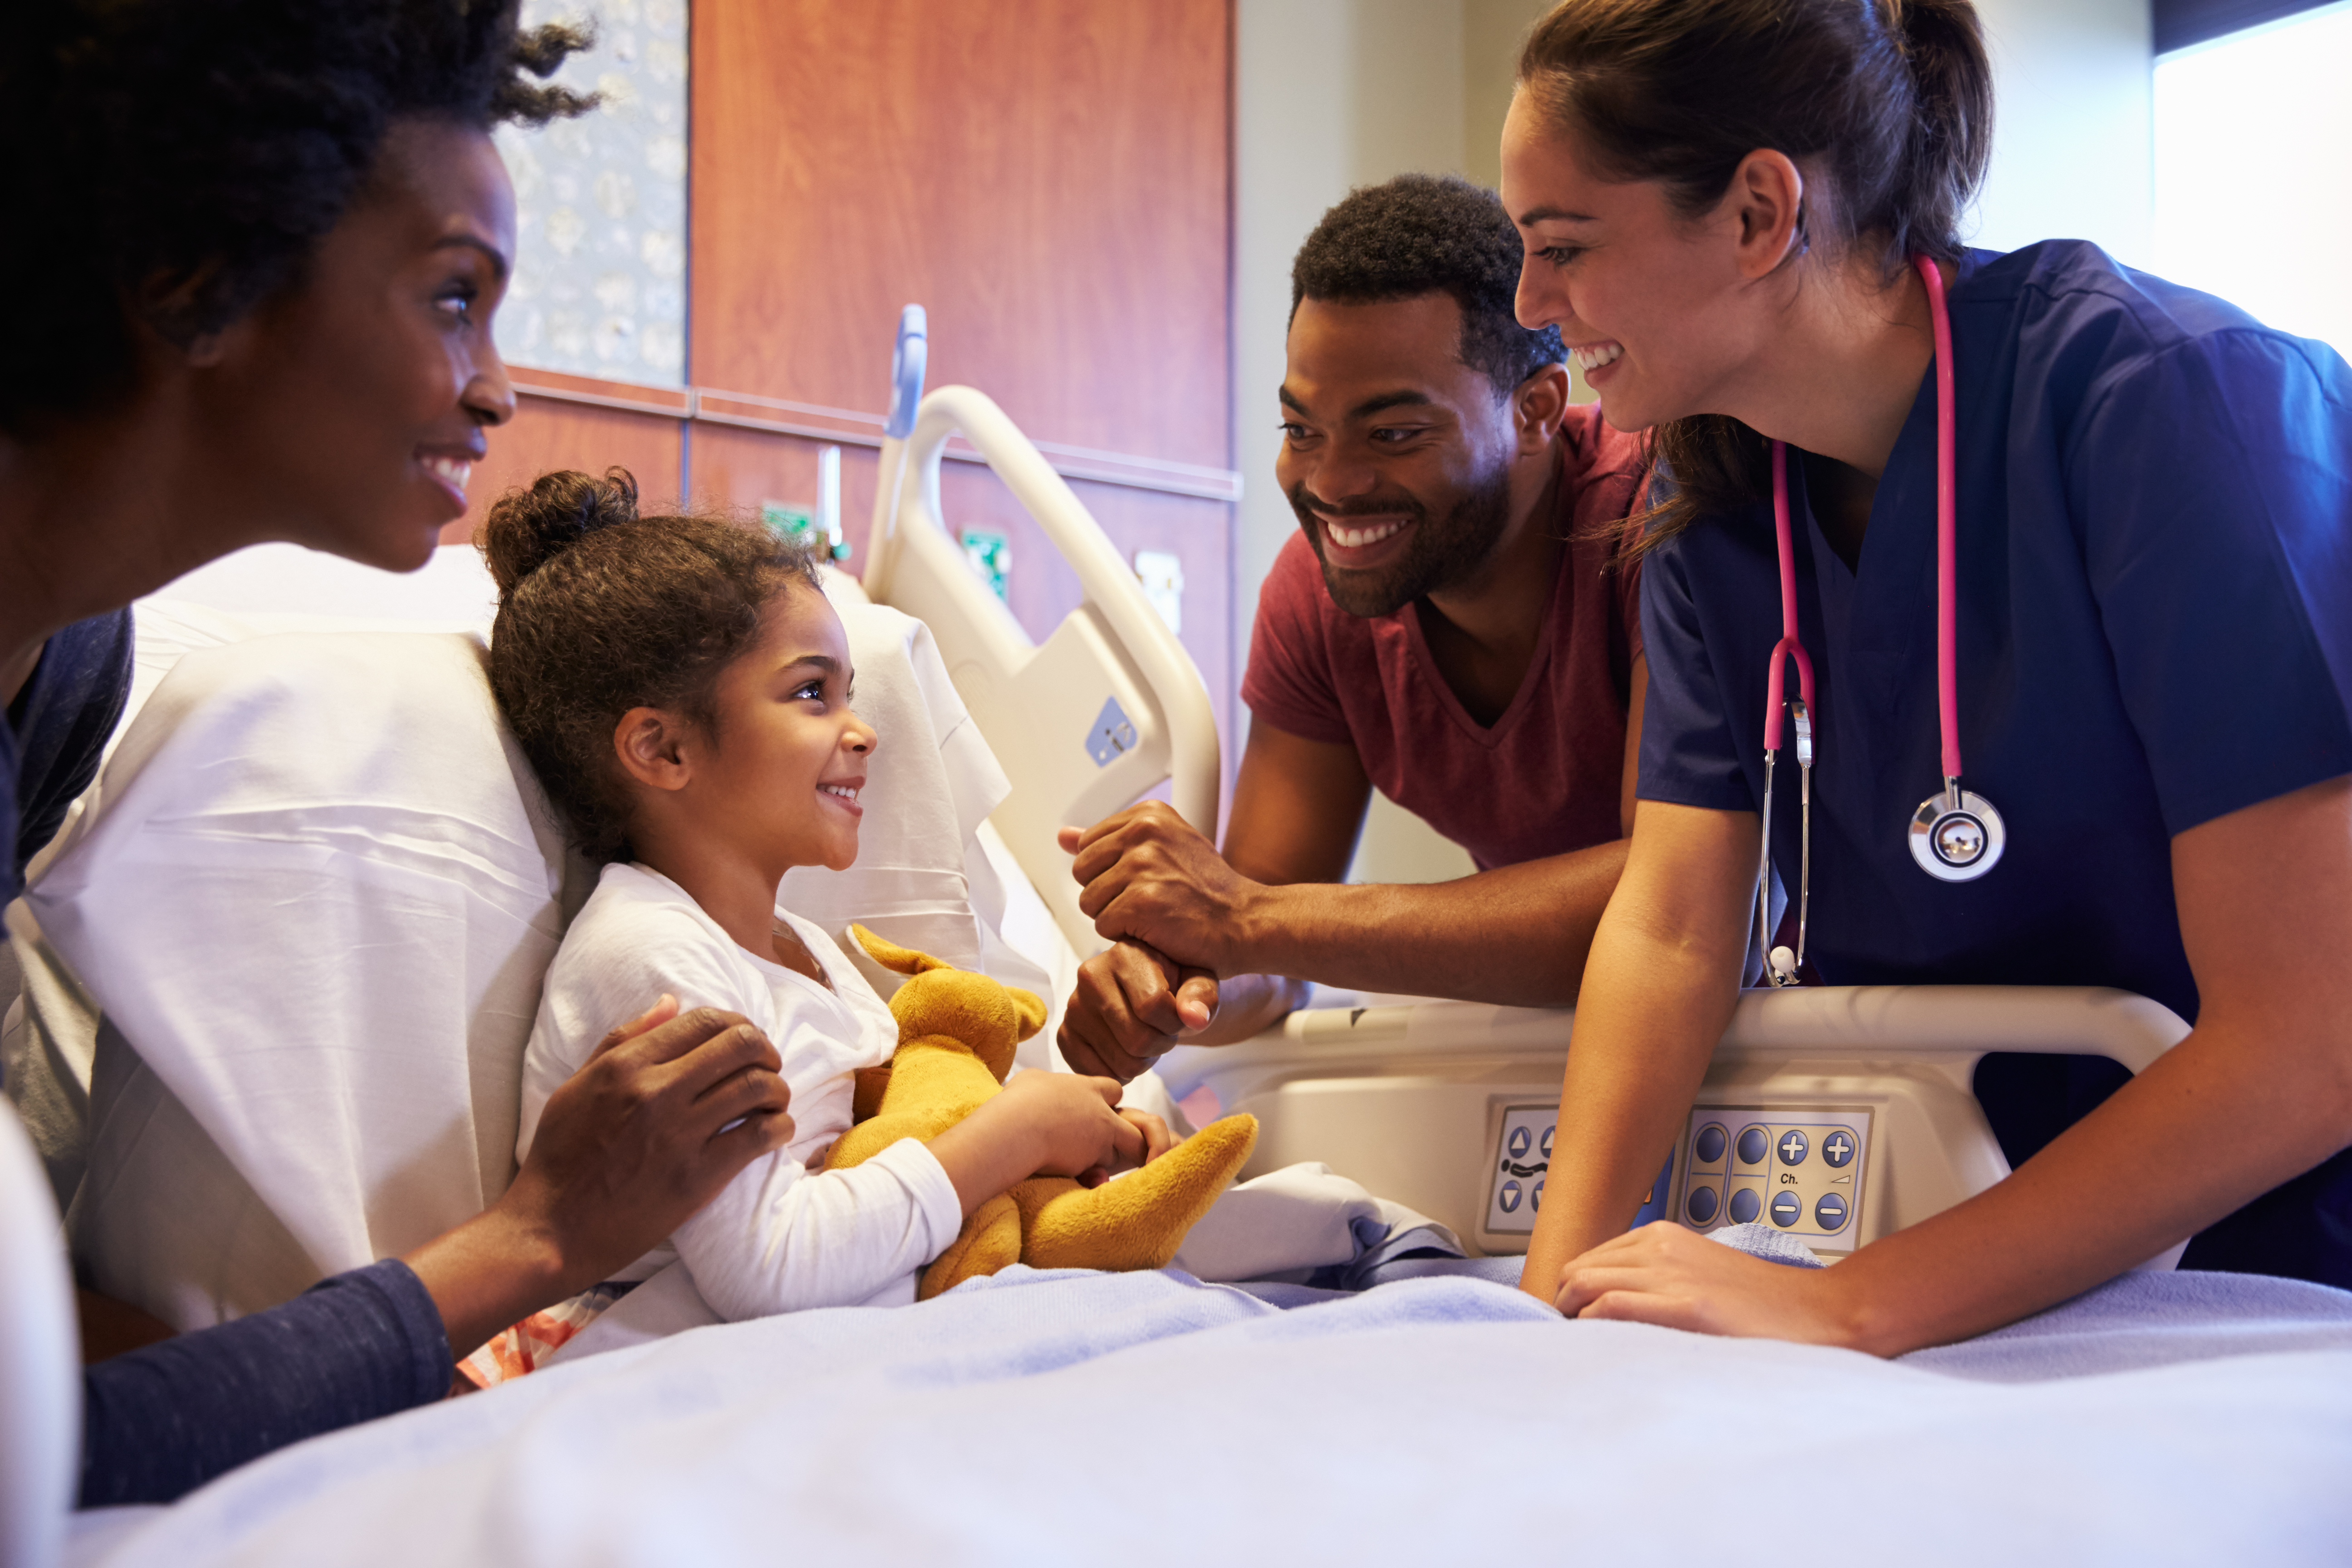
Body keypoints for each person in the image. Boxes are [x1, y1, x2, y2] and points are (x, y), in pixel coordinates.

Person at [3, 0, 797, 1504]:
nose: (497, 385)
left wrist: (345, 1372)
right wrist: (536, 1235)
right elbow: (32, 1458)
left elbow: (35, 1376)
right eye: (451, 298)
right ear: (200, 270)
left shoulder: (57, 666)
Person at [1503, 0, 2352, 1348]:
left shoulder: (2177, 408)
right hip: (1960, 1223)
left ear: (1757, 214)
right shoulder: (1711, 497)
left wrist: (1853, 1305)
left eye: (1562, 250)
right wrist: (1560, 1298)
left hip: (2277, 1250)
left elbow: (2313, 1038)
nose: (1531, 309)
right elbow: (1672, 929)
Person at [481, 470, 1166, 1334]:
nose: (864, 729)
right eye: (812, 692)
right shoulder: (652, 959)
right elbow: (771, 1267)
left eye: (851, 693)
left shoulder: (798, 944)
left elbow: (901, 1131)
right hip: (661, 1351)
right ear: (661, 749)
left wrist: (1085, 1148)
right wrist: (1017, 1137)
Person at [1057, 175, 1652, 1082]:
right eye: (1301, 428)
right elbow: (1267, 942)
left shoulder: (1657, 526)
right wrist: (1173, 988)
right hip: (1583, 1047)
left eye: (1394, 434)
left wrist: (1245, 921)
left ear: (1535, 410)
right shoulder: (1319, 597)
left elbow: (1669, 904)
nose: (1330, 484)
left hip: (1838, 1025)